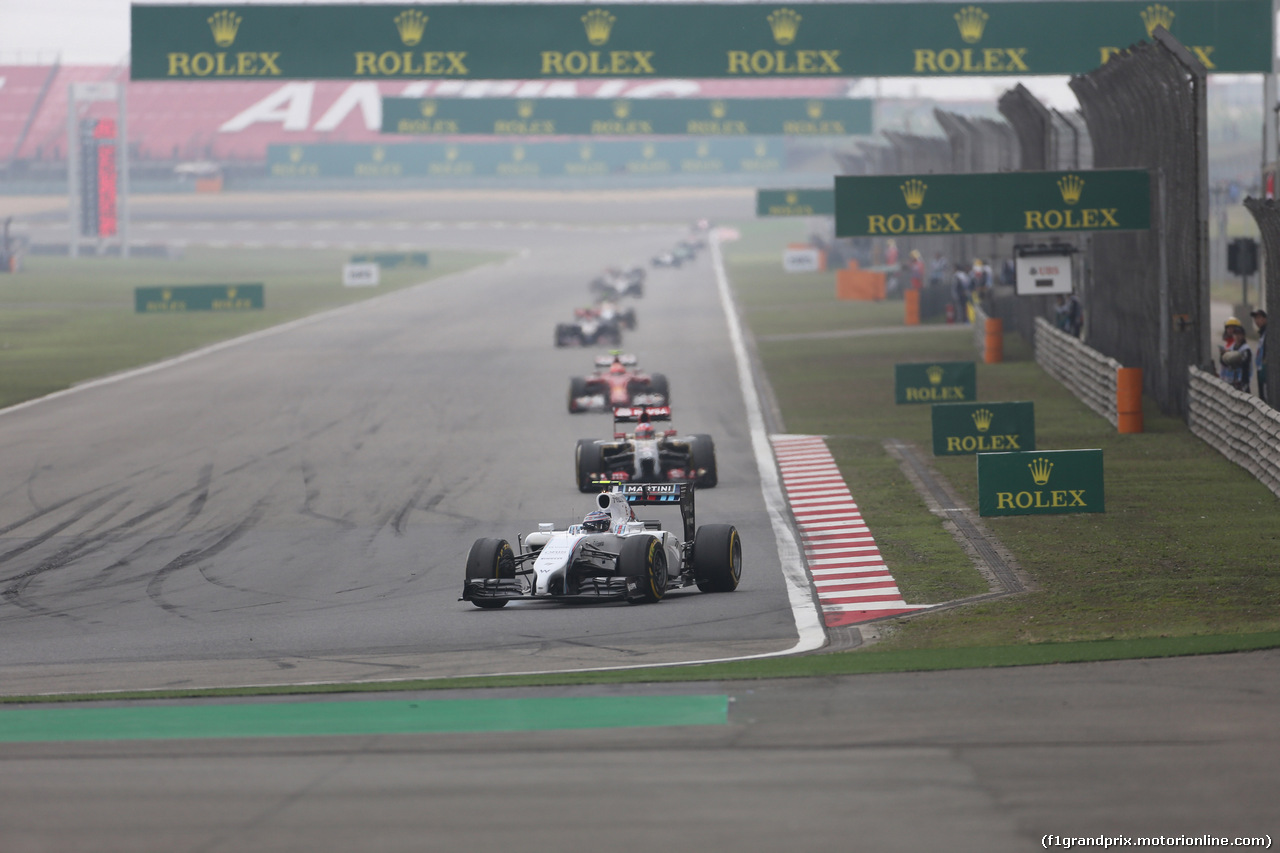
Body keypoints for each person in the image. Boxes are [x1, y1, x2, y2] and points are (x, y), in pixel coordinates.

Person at [1218, 317, 1253, 392]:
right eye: (1235, 334)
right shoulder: (1230, 347)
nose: (1237, 336)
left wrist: (1231, 358)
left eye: (1239, 334)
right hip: (1230, 381)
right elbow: (1223, 362)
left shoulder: (1245, 349)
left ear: (1243, 335)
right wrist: (1223, 355)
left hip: (1241, 382)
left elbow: (1244, 363)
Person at [1252, 309, 1268, 402]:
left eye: (1259, 318)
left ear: (1265, 319)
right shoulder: (1262, 333)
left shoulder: (1268, 333)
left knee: (1266, 397)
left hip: (1266, 370)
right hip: (1260, 368)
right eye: (1255, 318)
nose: (1256, 321)